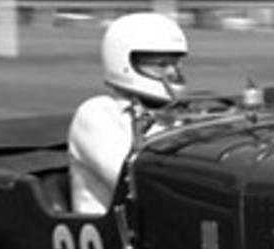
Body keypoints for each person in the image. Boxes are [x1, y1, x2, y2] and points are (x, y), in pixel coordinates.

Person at [68, 12, 188, 214]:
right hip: (114, 238)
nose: (172, 73)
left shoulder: (174, 114)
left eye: (175, 63)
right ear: (125, 63)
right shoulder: (97, 113)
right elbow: (133, 183)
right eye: (160, 64)